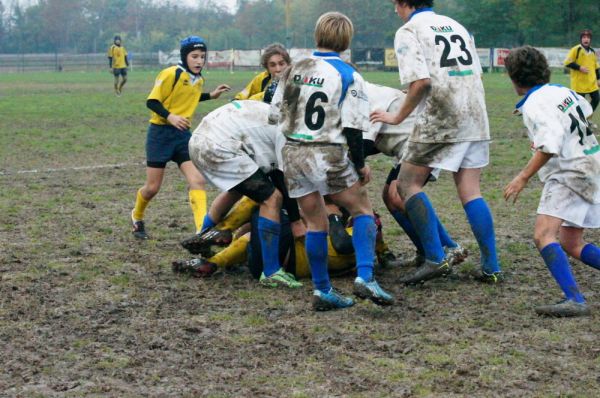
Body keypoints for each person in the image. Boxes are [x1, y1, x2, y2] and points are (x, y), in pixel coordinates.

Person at [370, 0, 502, 285]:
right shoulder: (456, 25)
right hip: (476, 111)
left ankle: (435, 257)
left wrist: (396, 117)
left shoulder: (409, 30)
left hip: (443, 113)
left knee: (405, 185)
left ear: (405, 3)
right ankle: (492, 266)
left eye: (396, 3)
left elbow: (420, 83)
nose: (395, 9)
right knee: (470, 191)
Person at [270, 12, 394, 310]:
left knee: (315, 222)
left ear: (317, 36)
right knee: (362, 208)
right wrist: (360, 163)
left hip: (293, 152)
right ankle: (365, 276)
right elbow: (353, 127)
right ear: (347, 40)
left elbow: (274, 114)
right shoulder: (349, 74)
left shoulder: (293, 68)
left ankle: (322, 290)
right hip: (328, 151)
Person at [504, 46, 600, 317]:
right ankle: (574, 297)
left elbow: (548, 145)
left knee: (543, 235)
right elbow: (585, 110)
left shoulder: (536, 104)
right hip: (591, 163)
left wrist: (522, 177)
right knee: (572, 242)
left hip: (569, 171)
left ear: (514, 78)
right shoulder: (562, 90)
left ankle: (575, 300)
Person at [187, 99, 304, 288]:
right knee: (272, 198)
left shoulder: (273, 113)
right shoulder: (288, 131)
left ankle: (202, 238)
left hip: (198, 140)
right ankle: (271, 272)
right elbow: (280, 176)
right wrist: (296, 221)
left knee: (237, 188)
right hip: (221, 146)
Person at [130, 36, 230, 240]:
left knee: (198, 180)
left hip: (183, 136)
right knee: (152, 188)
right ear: (185, 57)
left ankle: (201, 230)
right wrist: (170, 117)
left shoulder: (198, 79)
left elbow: (191, 95)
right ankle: (137, 215)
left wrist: (211, 95)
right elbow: (152, 101)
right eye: (194, 56)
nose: (199, 61)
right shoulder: (171, 74)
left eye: (202, 57)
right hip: (160, 135)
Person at [364, 82, 468, 270]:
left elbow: (364, 142)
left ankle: (449, 248)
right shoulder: (364, 93)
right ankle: (426, 251)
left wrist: (351, 159)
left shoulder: (363, 96)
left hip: (421, 139)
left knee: (398, 194)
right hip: (408, 143)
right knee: (389, 196)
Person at [564, 30, 600, 118]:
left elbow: (596, 67)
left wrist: (598, 79)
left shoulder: (592, 52)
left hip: (591, 84)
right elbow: (567, 62)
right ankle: (579, 120)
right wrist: (579, 67)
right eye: (584, 37)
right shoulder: (576, 49)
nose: (586, 39)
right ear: (581, 39)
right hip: (579, 85)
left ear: (590, 40)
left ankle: (586, 117)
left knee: (596, 99)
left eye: (588, 37)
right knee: (579, 105)